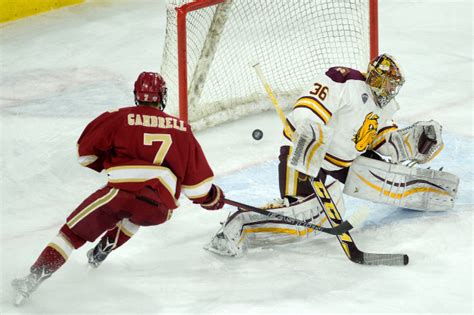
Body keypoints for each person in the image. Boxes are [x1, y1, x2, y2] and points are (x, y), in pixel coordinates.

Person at [11, 72, 225, 305]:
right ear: (162, 96)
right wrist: (213, 198)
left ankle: (32, 279)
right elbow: (197, 189)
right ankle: (105, 248)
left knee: (72, 233)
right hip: (159, 208)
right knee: (142, 208)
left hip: (119, 194)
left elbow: (84, 154)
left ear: (137, 94)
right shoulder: (182, 129)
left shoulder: (118, 118)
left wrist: (111, 166)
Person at [205, 53, 444, 257]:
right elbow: (309, 108)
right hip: (306, 152)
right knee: (303, 215)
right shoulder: (344, 80)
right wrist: (310, 131)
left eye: (395, 86)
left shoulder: (384, 107)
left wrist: (412, 143)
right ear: (376, 78)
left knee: (381, 171)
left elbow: (382, 141)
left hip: (344, 162)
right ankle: (238, 226)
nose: (392, 90)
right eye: (389, 84)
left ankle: (421, 187)